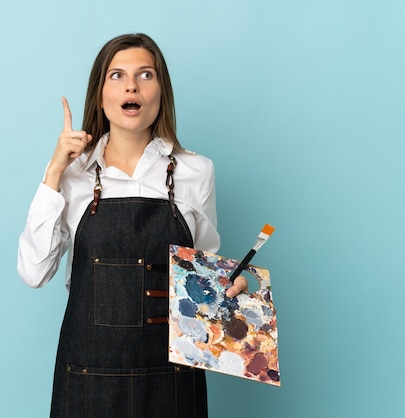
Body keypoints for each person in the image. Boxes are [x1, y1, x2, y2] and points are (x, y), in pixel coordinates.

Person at [17, 33, 248, 418]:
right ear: (100, 94)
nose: (131, 85)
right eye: (117, 76)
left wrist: (231, 289)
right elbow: (34, 272)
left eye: (145, 75)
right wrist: (54, 172)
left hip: (170, 380)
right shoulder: (70, 175)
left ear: (161, 91)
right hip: (89, 376)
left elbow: (203, 280)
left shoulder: (196, 171)